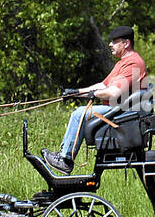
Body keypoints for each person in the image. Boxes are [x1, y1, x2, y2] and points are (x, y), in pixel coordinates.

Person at [42, 25, 148, 174]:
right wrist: (77, 92)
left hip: (125, 114)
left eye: (114, 41)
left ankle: (65, 160)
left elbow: (113, 93)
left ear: (126, 43)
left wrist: (94, 94)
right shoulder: (121, 63)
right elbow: (103, 85)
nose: (110, 44)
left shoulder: (133, 63)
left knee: (80, 113)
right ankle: (64, 157)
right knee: (80, 112)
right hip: (118, 111)